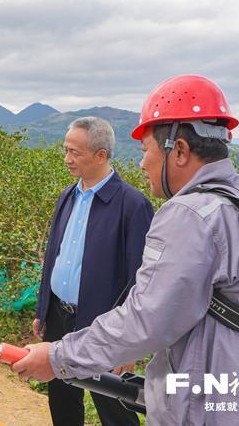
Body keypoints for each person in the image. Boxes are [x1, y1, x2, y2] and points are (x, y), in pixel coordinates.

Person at [13, 75, 239, 425]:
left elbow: (146, 318)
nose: (141, 164)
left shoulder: (190, 214)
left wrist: (58, 357)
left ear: (178, 150)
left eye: (145, 150)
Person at [34, 117, 153, 426]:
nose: (67, 159)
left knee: (113, 405)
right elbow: (54, 254)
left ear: (101, 155)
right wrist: (43, 310)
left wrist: (130, 345)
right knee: (62, 399)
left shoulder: (132, 205)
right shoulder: (68, 195)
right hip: (59, 316)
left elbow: (140, 278)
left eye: (75, 152)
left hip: (105, 325)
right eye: (66, 150)